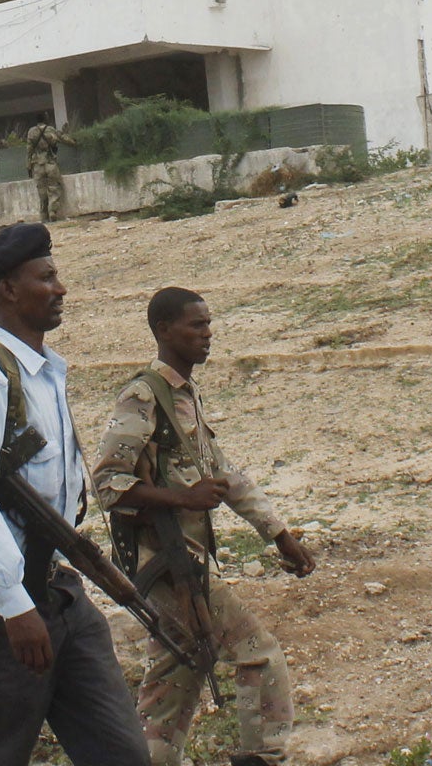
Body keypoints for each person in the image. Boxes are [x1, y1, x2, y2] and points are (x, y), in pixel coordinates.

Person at [0, 222, 147, 766]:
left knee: (122, 754)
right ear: (8, 289)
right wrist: (14, 605)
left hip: (60, 592)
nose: (61, 288)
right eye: (46, 277)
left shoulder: (46, 375)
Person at [92, 288, 317, 766]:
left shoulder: (185, 395)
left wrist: (279, 534)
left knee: (175, 680)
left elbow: (223, 473)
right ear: (163, 330)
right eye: (196, 326)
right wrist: (182, 498)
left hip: (183, 562)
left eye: (208, 324)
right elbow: (109, 483)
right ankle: (263, 757)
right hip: (164, 565)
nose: (207, 334)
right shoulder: (143, 395)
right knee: (259, 653)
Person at [24, 120, 72, 222]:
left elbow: (29, 150)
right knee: (54, 187)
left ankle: (43, 216)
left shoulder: (31, 132)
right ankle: (52, 211)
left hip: (37, 165)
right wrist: (75, 142)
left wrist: (28, 165)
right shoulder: (51, 130)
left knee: (41, 191)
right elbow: (64, 139)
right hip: (50, 163)